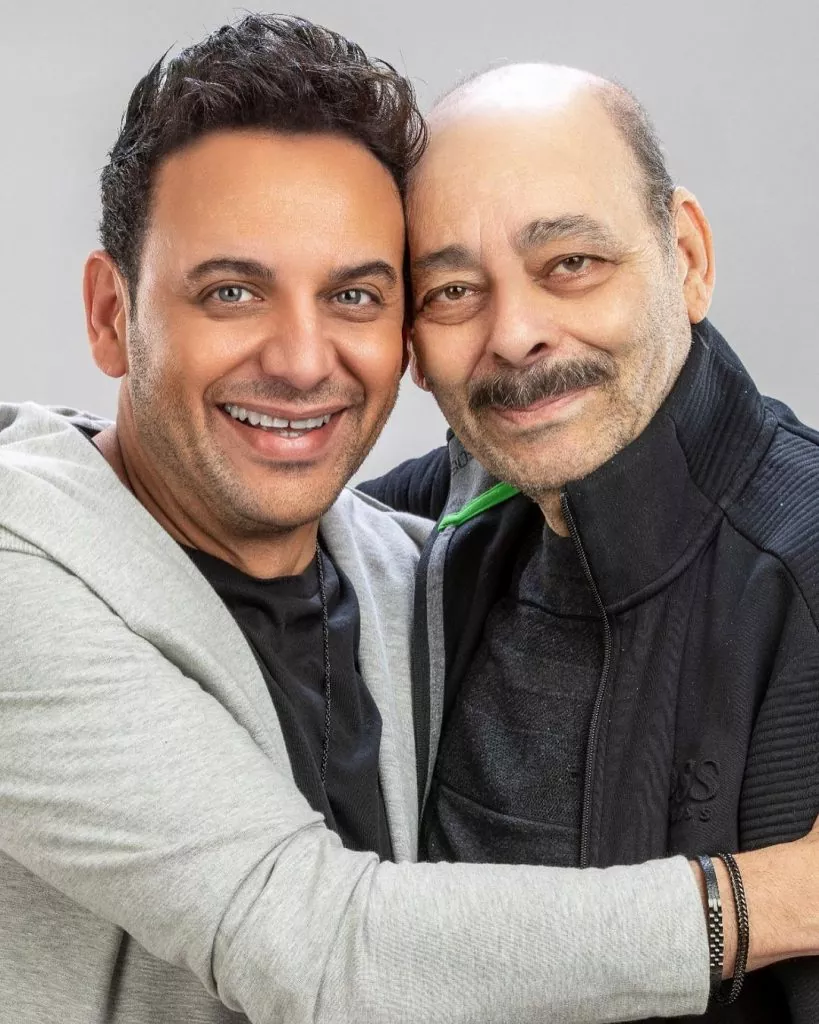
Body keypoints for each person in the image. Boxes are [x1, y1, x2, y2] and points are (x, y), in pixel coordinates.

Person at [1, 18, 817, 1024]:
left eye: (354, 294)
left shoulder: (420, 558)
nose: (303, 360)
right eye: (231, 291)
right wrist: (766, 899)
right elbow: (314, 943)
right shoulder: (19, 574)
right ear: (109, 315)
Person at [361, 63, 819, 1020]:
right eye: (452, 290)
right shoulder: (408, 534)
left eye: (570, 262)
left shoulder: (802, 577)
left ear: (686, 259)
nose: (515, 334)